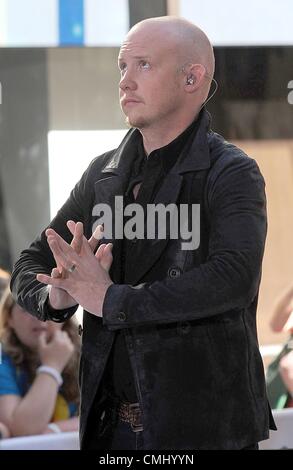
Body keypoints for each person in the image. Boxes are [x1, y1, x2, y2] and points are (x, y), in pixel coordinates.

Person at [10, 16, 275, 450]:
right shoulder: (102, 173)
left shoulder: (232, 171)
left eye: (143, 65)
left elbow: (233, 278)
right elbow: (31, 262)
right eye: (121, 67)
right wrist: (58, 296)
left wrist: (110, 299)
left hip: (204, 431)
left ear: (192, 77)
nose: (125, 81)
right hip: (107, 430)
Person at [0, 287, 80, 436]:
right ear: (9, 318)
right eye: (26, 308)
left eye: (49, 306)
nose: (39, 316)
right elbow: (21, 430)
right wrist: (52, 367)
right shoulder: (1, 358)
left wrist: (55, 429)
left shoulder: (86, 353)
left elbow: (106, 415)